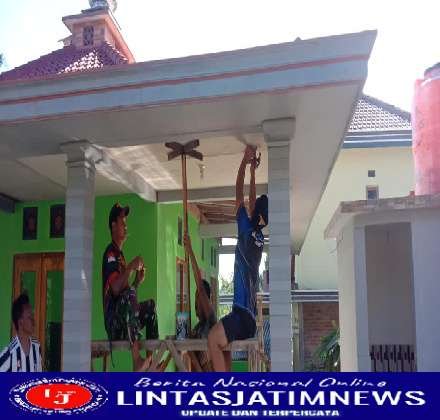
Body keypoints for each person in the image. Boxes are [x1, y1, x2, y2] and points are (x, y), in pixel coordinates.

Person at [208, 145, 268, 371]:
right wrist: (253, 171)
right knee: (223, 345)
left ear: (255, 213)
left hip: (241, 314)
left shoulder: (245, 229)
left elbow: (239, 194)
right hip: (248, 318)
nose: (252, 204)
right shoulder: (259, 237)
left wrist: (244, 161)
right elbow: (252, 202)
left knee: (213, 339)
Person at [102, 203, 158, 371]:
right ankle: (136, 360)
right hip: (114, 325)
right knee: (130, 293)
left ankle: (150, 360)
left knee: (151, 306)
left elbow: (125, 295)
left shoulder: (120, 256)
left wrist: (136, 282)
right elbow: (115, 289)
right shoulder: (111, 254)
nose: (126, 227)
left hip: (124, 322)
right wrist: (130, 268)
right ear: (113, 226)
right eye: (122, 223)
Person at [183, 233, 216, 371]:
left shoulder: (211, 321)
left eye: (199, 298)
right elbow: (189, 355)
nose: (196, 303)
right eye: (195, 298)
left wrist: (190, 250)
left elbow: (201, 289)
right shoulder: (196, 329)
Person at [0, 293, 42, 372]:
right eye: (30, 317)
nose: (33, 321)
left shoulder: (37, 347)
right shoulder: (9, 353)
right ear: (20, 321)